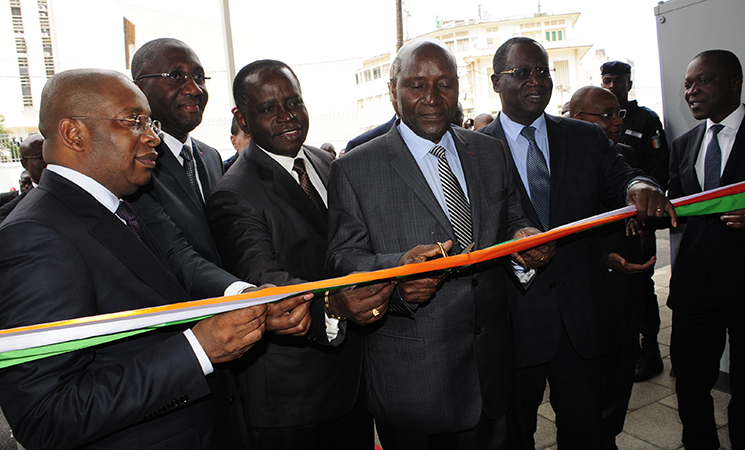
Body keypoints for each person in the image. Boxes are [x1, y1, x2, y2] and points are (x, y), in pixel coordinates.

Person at [0, 68, 269, 450]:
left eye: (150, 122)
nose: (152, 136)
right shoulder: (35, 236)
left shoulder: (119, 207)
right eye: (133, 121)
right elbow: (45, 415)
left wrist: (245, 301)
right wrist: (197, 350)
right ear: (74, 133)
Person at [326, 39, 554, 450]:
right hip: (415, 380)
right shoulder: (355, 167)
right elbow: (344, 259)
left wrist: (525, 239)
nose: (432, 98)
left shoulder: (490, 151)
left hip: (491, 371)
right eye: (416, 85)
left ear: (458, 89)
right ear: (392, 91)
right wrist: (398, 275)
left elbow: (515, 218)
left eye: (444, 84)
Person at [479, 37, 675, 449]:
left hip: (581, 322)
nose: (536, 80)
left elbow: (624, 176)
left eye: (543, 71)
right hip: (514, 324)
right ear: (496, 82)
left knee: (587, 434)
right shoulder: (474, 151)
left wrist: (640, 184)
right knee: (513, 437)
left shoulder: (585, 137)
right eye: (522, 72)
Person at [207, 59, 394, 450]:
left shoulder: (327, 164)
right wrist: (336, 304)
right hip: (295, 401)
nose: (287, 116)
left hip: (355, 380)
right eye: (269, 108)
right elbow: (266, 282)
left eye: (294, 102)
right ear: (241, 118)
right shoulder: (233, 194)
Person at [126, 38, 252, 301]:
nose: (194, 89)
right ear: (139, 88)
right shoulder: (133, 164)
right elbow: (171, 252)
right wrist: (242, 293)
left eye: (199, 77)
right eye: (175, 76)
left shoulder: (210, 157)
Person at [569, 85, 656, 449]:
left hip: (624, 288)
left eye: (618, 113)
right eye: (604, 115)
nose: (616, 123)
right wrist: (603, 257)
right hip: (580, 288)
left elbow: (641, 192)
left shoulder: (623, 154)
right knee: (584, 384)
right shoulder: (555, 162)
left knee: (621, 368)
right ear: (577, 120)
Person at [668, 49, 745, 449]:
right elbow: (678, 210)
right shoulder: (683, 145)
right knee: (690, 381)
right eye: (687, 85)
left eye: (704, 81)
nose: (692, 92)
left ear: (735, 83)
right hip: (696, 286)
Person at [601, 61, 670, 381]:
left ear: (629, 82)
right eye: (607, 80)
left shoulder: (645, 120)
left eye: (618, 80)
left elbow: (653, 171)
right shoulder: (580, 143)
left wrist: (641, 214)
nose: (613, 84)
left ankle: (650, 350)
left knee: (642, 288)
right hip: (607, 232)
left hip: (639, 221)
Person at [0, 134, 46, 222]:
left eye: (52, 154)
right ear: (25, 164)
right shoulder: (9, 215)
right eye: (41, 156)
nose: (49, 160)